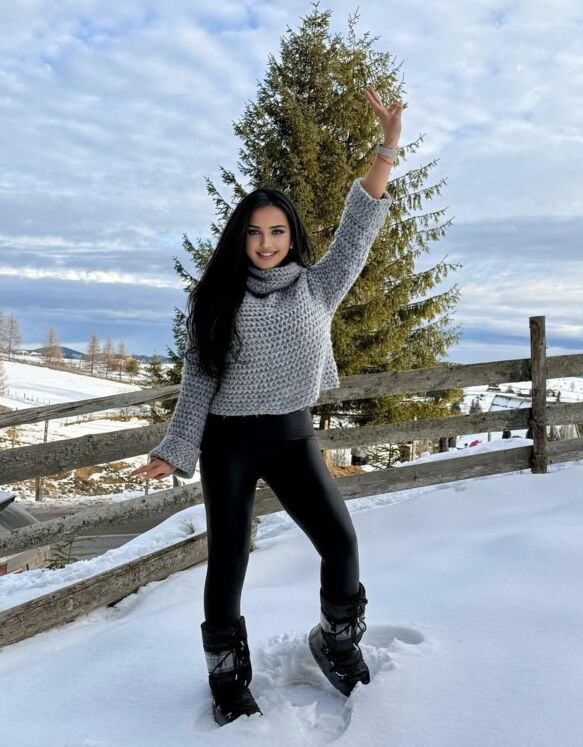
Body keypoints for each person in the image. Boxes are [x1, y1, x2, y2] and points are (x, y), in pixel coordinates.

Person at [130, 85, 407, 726]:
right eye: (254, 232)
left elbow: (359, 226)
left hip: (291, 436)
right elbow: (199, 379)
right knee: (229, 563)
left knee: (340, 542)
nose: (266, 242)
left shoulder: (318, 286)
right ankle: (228, 677)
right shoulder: (216, 298)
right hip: (227, 443)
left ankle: (336, 642)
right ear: (240, 237)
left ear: (291, 235)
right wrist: (176, 448)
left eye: (277, 231)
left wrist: (387, 148)